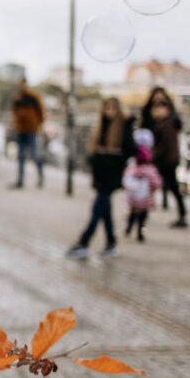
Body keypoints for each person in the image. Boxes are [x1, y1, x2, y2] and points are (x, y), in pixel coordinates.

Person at [66, 97, 135, 259]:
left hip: (111, 175)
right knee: (105, 210)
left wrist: (114, 162)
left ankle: (84, 242)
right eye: (107, 108)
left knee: (97, 210)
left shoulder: (123, 128)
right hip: (101, 174)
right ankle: (111, 243)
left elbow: (130, 151)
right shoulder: (101, 126)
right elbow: (94, 151)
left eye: (112, 108)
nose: (109, 112)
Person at [145, 88, 188, 227]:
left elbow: (164, 146)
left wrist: (153, 157)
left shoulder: (166, 125)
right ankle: (141, 212)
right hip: (167, 160)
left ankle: (140, 213)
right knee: (171, 188)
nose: (156, 112)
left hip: (166, 161)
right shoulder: (164, 124)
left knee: (169, 187)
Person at [124, 131, 163, 242]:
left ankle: (129, 227)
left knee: (132, 213)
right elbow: (157, 183)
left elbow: (126, 181)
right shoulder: (150, 171)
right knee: (142, 217)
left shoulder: (132, 169)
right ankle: (140, 232)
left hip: (133, 199)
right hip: (146, 200)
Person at [10, 79, 45, 188]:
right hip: (20, 130)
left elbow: (41, 112)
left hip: (31, 131)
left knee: (34, 155)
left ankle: (41, 176)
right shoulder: (17, 98)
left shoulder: (34, 97)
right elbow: (15, 113)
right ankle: (20, 180)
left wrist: (37, 125)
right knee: (21, 156)